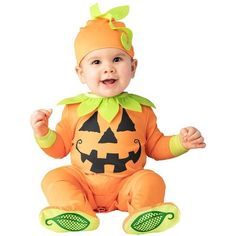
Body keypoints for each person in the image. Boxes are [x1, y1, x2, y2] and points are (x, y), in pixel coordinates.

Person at [30, 3, 206, 234]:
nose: (108, 69)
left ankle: (143, 212)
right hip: (83, 182)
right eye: (96, 62)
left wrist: (181, 143)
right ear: (81, 73)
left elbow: (155, 147)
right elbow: (59, 148)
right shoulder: (74, 109)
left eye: (117, 60)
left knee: (152, 179)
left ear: (133, 67)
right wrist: (43, 133)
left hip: (127, 185)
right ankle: (75, 210)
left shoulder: (142, 110)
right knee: (54, 177)